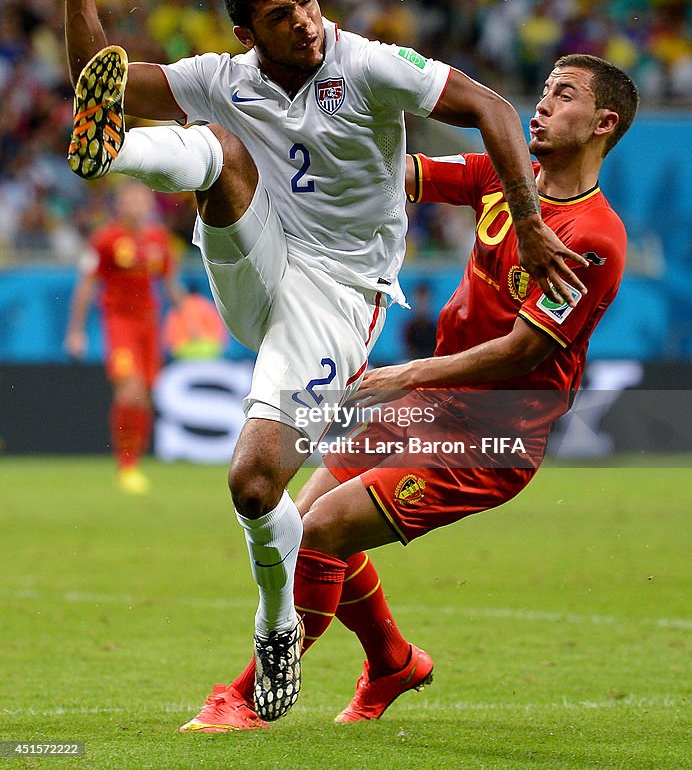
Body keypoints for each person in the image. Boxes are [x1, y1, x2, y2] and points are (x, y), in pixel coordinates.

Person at [40, 0, 588, 723]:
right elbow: (102, 83)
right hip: (259, 261)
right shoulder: (225, 80)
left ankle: (277, 625)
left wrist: (533, 222)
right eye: (279, 16)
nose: (304, 21)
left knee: (256, 484)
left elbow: (492, 109)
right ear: (246, 35)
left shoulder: (367, 64)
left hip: (337, 299)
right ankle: (110, 152)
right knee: (215, 149)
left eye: (304, 0)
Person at [178, 53, 639, 732]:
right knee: (299, 523)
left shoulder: (594, 237)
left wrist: (403, 374)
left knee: (319, 533)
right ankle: (392, 661)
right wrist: (287, 159)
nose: (541, 105)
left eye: (562, 96)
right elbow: (396, 176)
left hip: (491, 436)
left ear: (603, 123)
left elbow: (525, 349)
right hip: (430, 405)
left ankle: (245, 700)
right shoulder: (504, 180)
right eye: (542, 90)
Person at [65, 180, 184, 494]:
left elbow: (170, 283)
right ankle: (126, 465)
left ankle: (135, 464)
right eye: (129, 200)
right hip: (119, 323)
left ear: (148, 205)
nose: (135, 205)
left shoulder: (159, 240)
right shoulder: (105, 239)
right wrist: (76, 332)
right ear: (119, 205)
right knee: (128, 391)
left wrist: (187, 315)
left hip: (150, 325)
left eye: (141, 200)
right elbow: (86, 285)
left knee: (143, 396)